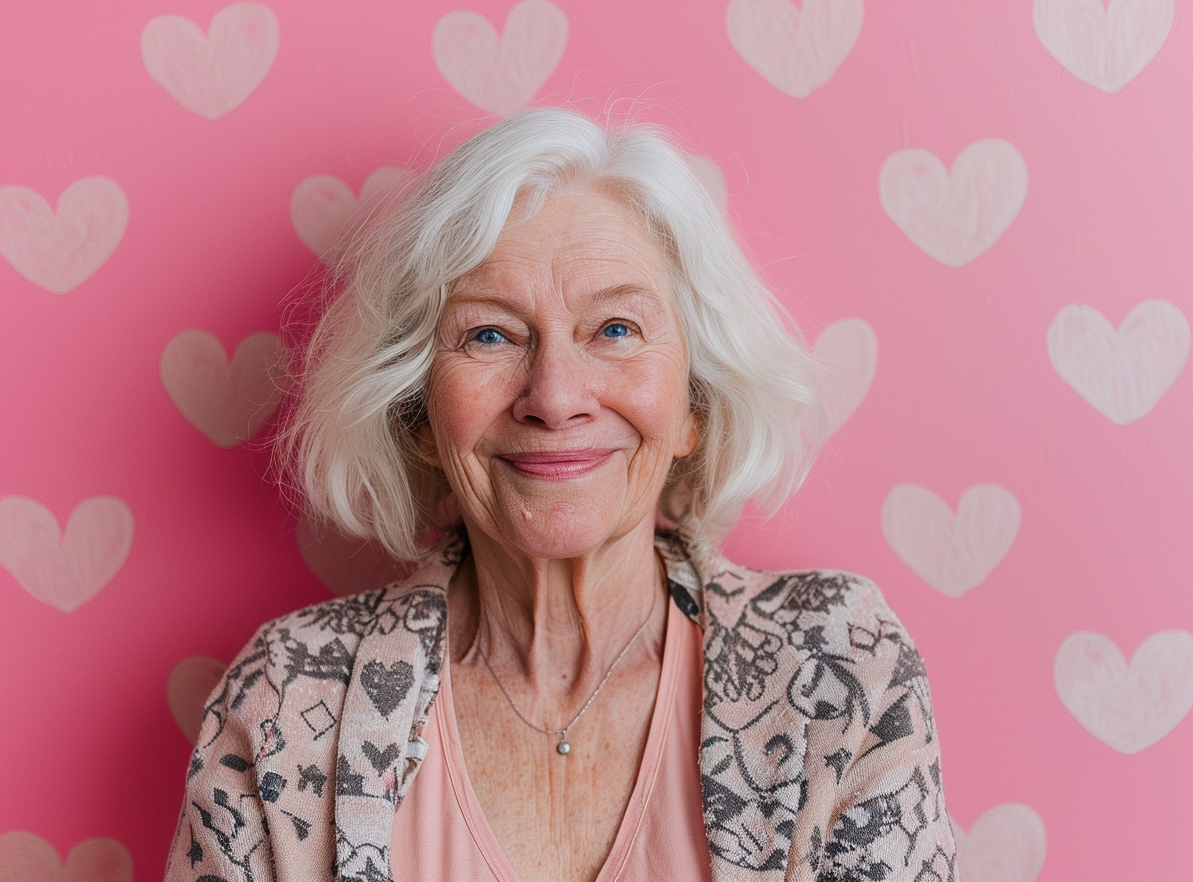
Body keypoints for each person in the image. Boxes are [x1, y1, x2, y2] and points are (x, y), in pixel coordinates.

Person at [165, 108, 957, 882]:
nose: (554, 396)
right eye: (489, 334)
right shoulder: (286, 704)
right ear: (418, 417)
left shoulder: (838, 668)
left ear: (693, 406)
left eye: (615, 329)